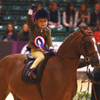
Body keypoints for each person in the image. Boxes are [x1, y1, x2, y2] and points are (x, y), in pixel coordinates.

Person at [27, 6, 53, 78]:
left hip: (44, 50)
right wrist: (30, 11)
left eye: (45, 21)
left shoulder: (48, 30)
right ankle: (31, 70)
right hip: (35, 50)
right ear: (36, 21)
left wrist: (51, 47)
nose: (43, 23)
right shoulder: (33, 28)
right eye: (41, 21)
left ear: (47, 22)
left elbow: (49, 40)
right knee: (41, 57)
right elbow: (29, 21)